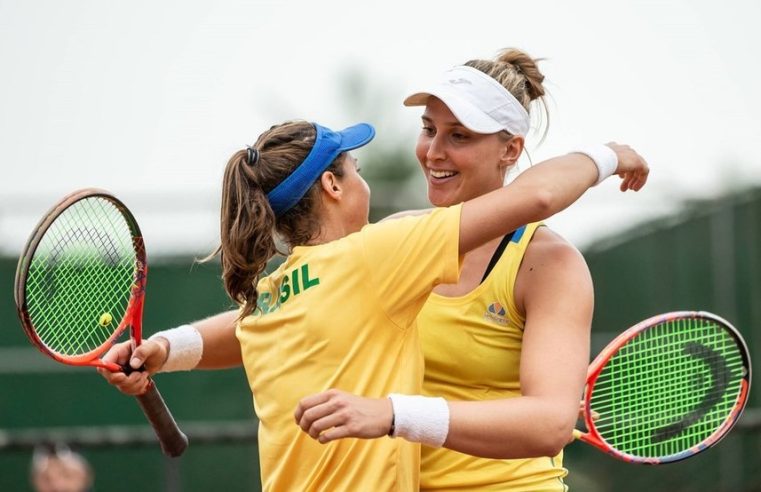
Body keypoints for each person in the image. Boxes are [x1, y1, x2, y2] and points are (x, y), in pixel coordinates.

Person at [100, 95, 647, 490]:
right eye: (355, 168)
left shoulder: (272, 291)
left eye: (458, 134)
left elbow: (242, 328)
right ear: (333, 186)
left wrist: (165, 348)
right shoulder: (382, 253)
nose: (432, 150)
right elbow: (541, 194)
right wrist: (611, 154)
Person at [294, 48, 641, 491]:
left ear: (510, 149)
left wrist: (394, 414)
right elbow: (288, 305)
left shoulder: (549, 263)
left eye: (459, 136)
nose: (434, 152)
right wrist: (177, 347)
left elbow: (550, 424)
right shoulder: (399, 236)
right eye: (428, 129)